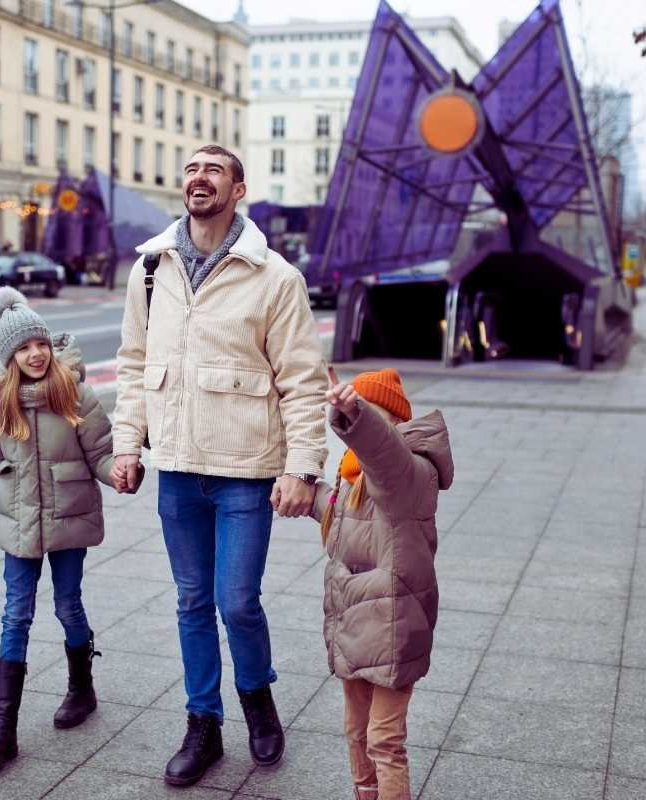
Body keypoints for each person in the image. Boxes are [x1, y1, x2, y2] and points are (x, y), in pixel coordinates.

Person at [111, 144, 328, 787]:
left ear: (238, 191)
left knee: (237, 603)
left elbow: (303, 380)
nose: (197, 177)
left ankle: (258, 704)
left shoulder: (275, 277)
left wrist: (303, 467)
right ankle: (202, 723)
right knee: (190, 601)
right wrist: (128, 443)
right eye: (190, 168)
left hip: (245, 468)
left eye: (213, 169)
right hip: (177, 466)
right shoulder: (151, 270)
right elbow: (131, 365)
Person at [0, 287, 130, 762]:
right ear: (9, 357)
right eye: (23, 348)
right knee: (16, 613)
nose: (35, 354)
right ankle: (3, 726)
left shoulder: (74, 393)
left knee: (68, 605)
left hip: (69, 516)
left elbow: (100, 453)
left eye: (40, 344)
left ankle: (82, 687)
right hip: (20, 524)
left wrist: (118, 471)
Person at [312, 368, 454, 800]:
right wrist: (301, 491)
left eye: (367, 412)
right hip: (355, 623)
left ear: (389, 420)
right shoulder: (352, 475)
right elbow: (342, 520)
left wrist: (354, 413)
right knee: (355, 731)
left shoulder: (409, 471)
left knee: (383, 740)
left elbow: (383, 453)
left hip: (393, 626)